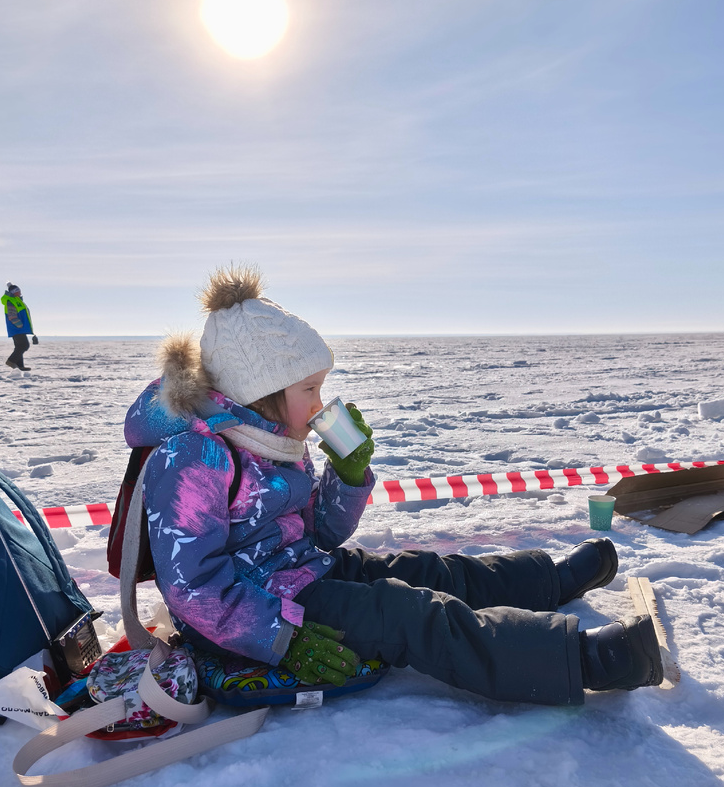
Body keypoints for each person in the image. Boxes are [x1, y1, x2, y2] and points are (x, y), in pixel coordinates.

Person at [124, 265, 663, 704]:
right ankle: (579, 661)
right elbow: (191, 585)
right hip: (257, 609)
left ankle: (547, 580)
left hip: (307, 573)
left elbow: (322, 534)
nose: (319, 403)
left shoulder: (277, 441)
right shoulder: (195, 455)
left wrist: (349, 473)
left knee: (426, 569)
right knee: (410, 614)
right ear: (260, 391)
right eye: (308, 388)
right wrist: (279, 639)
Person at [1, 283, 37, 370]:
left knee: (19, 346)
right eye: (18, 291)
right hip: (17, 328)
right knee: (24, 346)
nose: (20, 292)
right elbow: (12, 316)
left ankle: (20, 366)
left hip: (19, 328)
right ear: (14, 292)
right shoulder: (11, 301)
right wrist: (19, 325)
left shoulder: (17, 300)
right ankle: (11, 361)